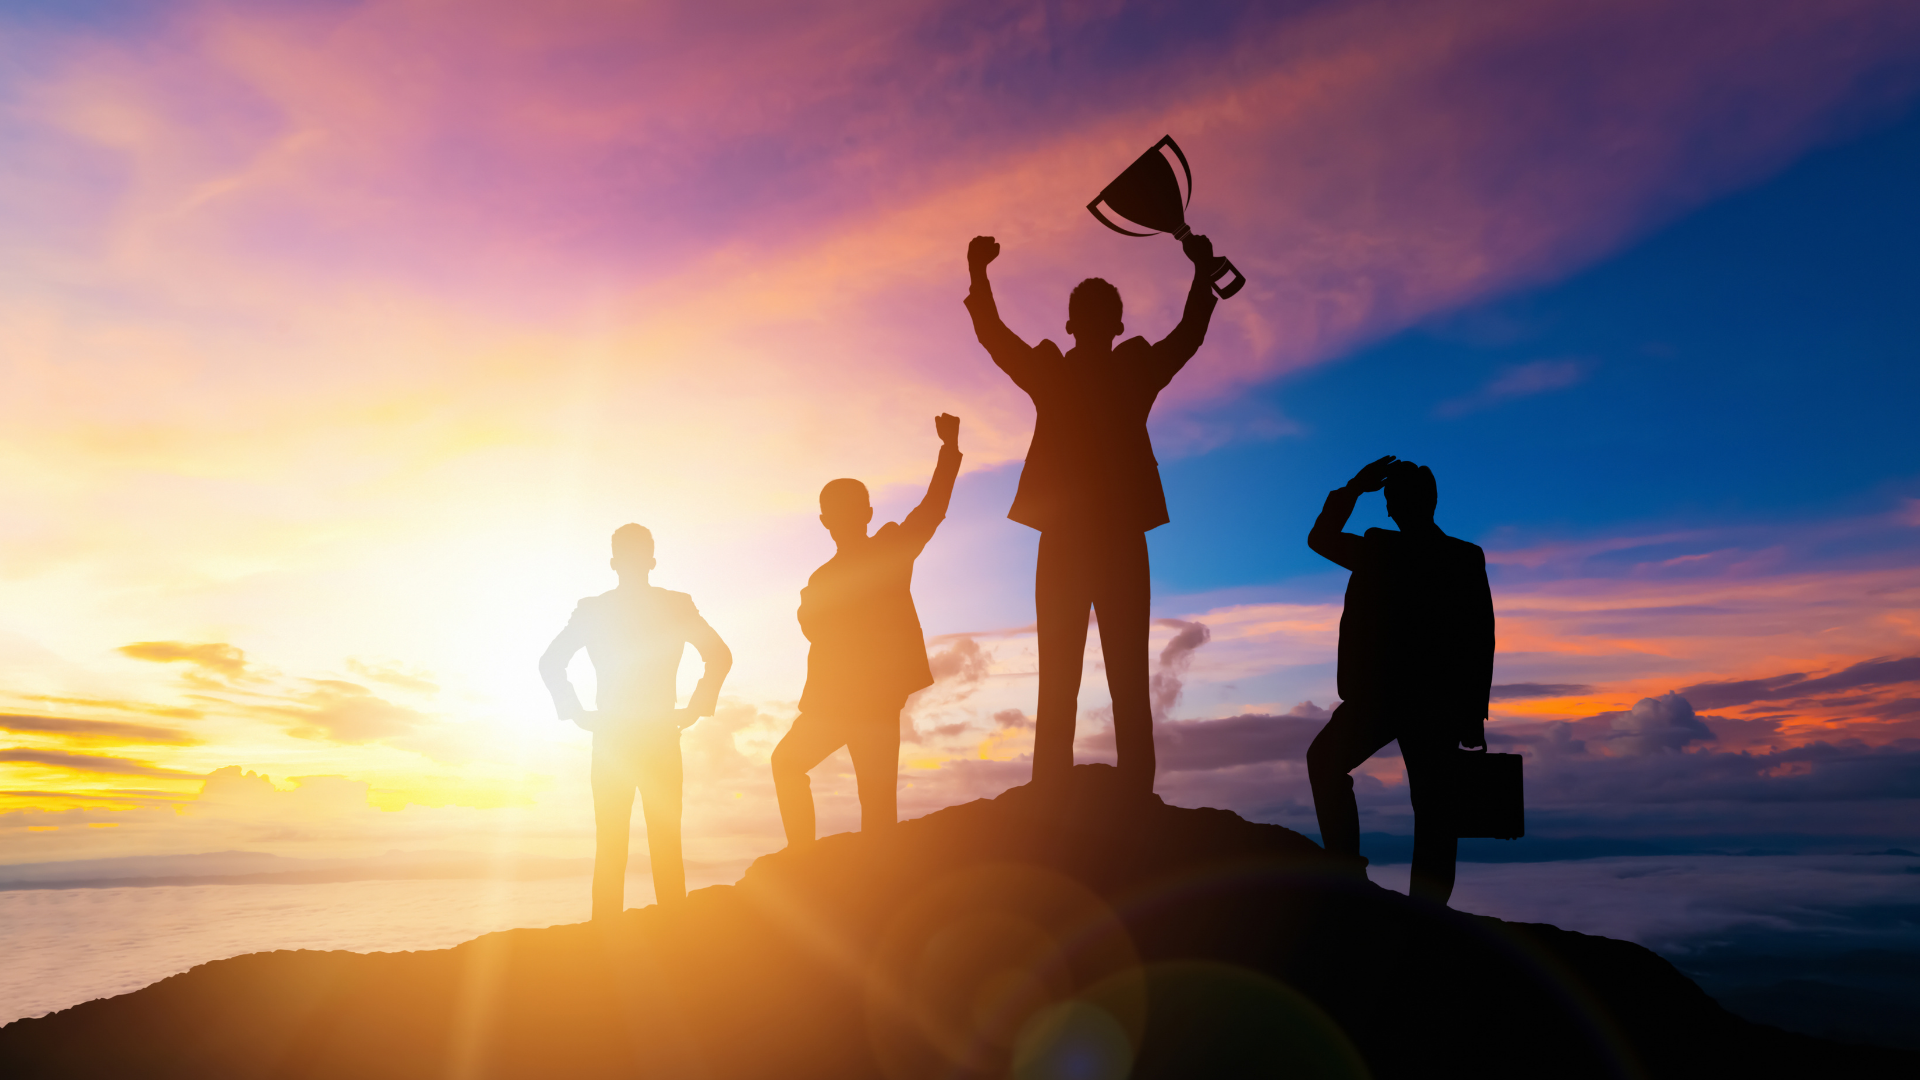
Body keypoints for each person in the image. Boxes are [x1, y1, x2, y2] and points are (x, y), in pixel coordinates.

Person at [963, 232, 1220, 794]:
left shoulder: (1070, 372)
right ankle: (1121, 793)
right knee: (1107, 673)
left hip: (1080, 539)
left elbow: (995, 338)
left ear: (1076, 325)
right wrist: (1201, 277)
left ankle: (1069, 790)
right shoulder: (1121, 371)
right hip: (1105, 538)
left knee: (1075, 674)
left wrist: (980, 276)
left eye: (1096, 315)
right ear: (1095, 325)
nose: (1096, 324)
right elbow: (1188, 336)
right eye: (1094, 315)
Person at [1305, 456, 1495, 904]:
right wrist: (1472, 714)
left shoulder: (1379, 549)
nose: (1391, 508)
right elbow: (1480, 640)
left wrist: (1354, 487)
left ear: (1411, 504)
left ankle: (1348, 873)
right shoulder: (1463, 557)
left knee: (1329, 765)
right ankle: (1426, 909)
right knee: (1434, 810)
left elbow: (1320, 538)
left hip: (1385, 698)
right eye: (1390, 500)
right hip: (1430, 702)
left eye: (1393, 500)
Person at [771, 413, 963, 847]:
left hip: (870, 700)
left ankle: (814, 861)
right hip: (839, 700)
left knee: (872, 804)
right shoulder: (823, 578)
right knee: (794, 766)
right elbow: (814, 630)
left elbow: (932, 510)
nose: (841, 519)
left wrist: (949, 452)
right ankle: (803, 858)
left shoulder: (886, 550)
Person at [539, 524, 732, 920]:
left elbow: (550, 662)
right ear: (652, 560)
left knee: (612, 843)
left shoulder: (595, 610)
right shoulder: (674, 605)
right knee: (664, 842)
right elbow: (720, 655)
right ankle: (673, 931)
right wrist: (695, 707)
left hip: (614, 738)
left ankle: (605, 939)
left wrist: (576, 712)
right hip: (657, 735)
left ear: (614, 562)